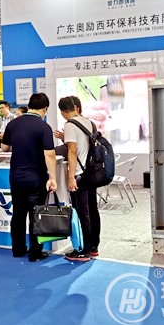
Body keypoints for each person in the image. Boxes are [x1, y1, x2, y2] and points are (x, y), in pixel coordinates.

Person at [1, 93, 58, 262]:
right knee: (36, 215)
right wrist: (52, 177)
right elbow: (49, 154)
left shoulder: (13, 124)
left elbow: (4, 148)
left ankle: (18, 249)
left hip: (16, 177)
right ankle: (35, 253)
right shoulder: (44, 127)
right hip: (36, 178)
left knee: (18, 214)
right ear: (45, 109)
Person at [54, 95, 101, 258]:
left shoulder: (69, 125)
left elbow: (73, 151)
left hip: (80, 174)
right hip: (91, 172)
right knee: (92, 210)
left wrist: (71, 177)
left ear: (62, 111)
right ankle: (93, 246)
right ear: (76, 108)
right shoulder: (88, 122)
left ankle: (83, 250)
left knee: (81, 212)